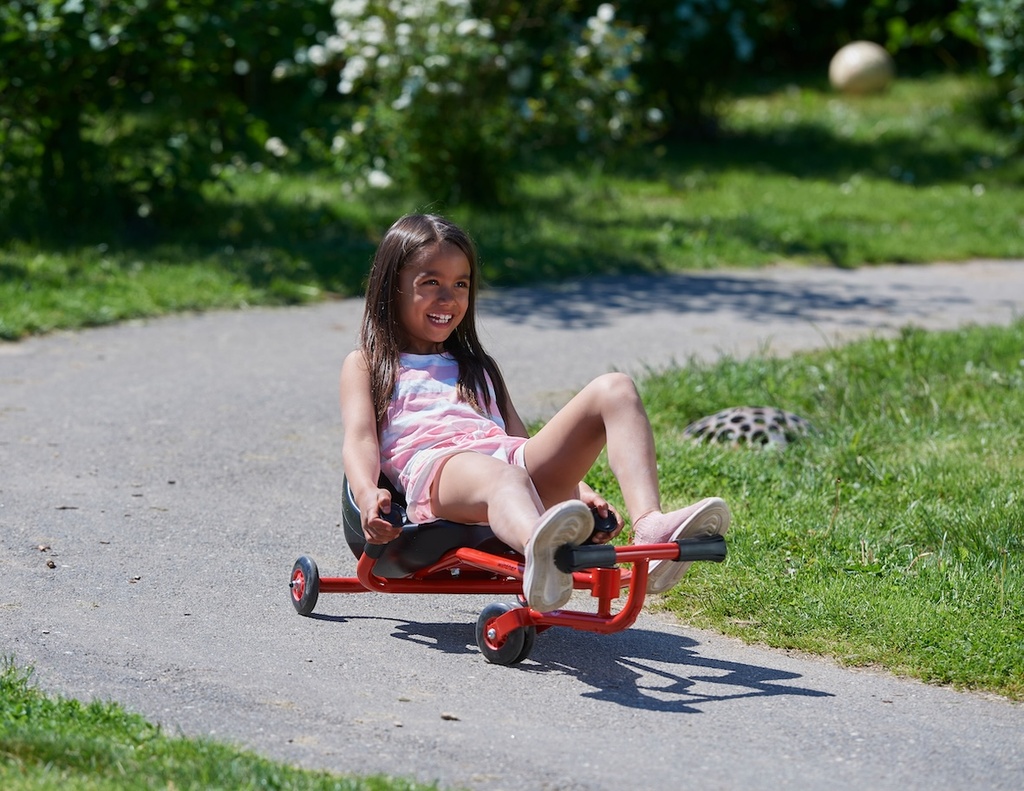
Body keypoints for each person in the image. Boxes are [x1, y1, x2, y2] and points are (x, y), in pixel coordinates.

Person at [340, 213, 730, 612]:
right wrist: (367, 492)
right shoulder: (370, 363)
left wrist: (580, 491)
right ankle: (540, 554)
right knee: (503, 476)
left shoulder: (479, 366)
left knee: (616, 389)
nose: (449, 298)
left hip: (508, 464)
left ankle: (649, 527)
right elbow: (360, 438)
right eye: (431, 283)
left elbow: (520, 444)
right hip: (441, 471)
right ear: (393, 287)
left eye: (461, 284)